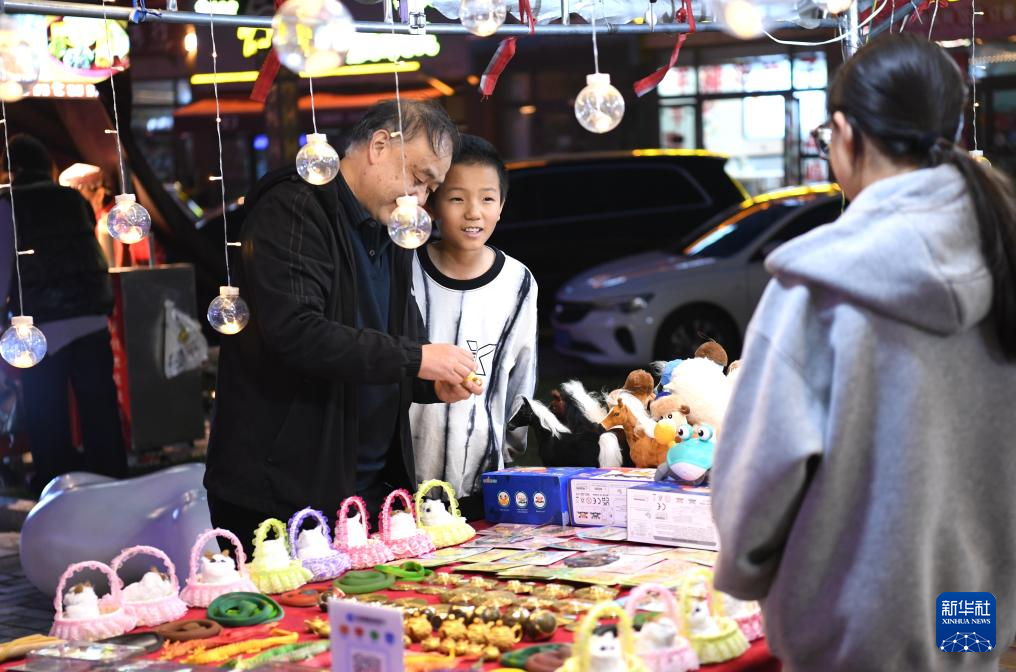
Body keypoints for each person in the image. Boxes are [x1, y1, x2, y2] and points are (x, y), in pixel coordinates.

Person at [710, 34, 1016, 672]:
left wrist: (743, 570)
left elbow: (759, 483)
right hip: (975, 613)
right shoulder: (1003, 255)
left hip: (853, 627)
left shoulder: (816, 287)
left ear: (846, 134)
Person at [205, 100, 482, 552]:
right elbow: (298, 332)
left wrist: (431, 381)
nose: (420, 198)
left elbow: (397, 341)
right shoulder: (295, 207)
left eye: (430, 188)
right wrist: (417, 359)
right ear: (379, 146)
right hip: (280, 491)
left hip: (366, 490)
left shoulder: (392, 228)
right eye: (418, 178)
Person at [409, 135, 538, 519]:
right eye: (456, 198)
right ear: (432, 205)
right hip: (405, 478)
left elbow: (522, 375)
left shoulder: (518, 282)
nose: (473, 213)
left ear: (502, 205)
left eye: (487, 198)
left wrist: (508, 450)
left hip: (483, 478)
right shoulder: (405, 270)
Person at [0, 135, 127, 495]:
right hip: (91, 316)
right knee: (100, 410)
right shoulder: (73, 199)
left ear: (13, 169)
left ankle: (56, 486)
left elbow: (3, 268)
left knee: (47, 412)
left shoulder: (8, 204)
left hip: (42, 327)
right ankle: (113, 483)